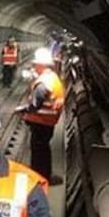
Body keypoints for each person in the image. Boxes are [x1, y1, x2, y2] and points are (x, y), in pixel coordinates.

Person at [16, 48, 65, 182]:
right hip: (48, 122)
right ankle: (45, 175)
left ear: (42, 65)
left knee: (38, 151)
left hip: (41, 122)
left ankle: (38, 177)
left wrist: (22, 110)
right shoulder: (53, 77)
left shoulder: (43, 83)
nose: (34, 66)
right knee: (44, 149)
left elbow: (34, 105)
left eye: (35, 64)